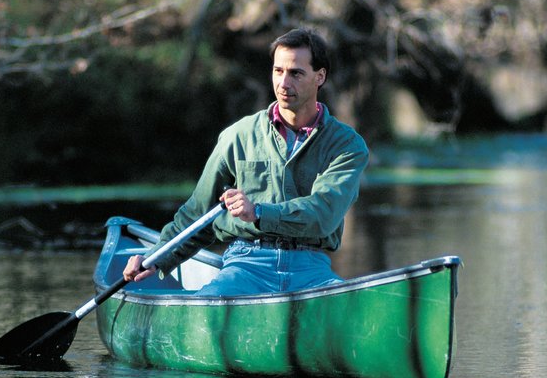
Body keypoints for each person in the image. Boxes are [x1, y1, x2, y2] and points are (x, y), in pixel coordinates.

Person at [122, 27, 369, 295]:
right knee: (209, 304)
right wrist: (158, 258)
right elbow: (197, 214)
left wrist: (259, 213)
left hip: (311, 267)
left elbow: (323, 214)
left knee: (350, 306)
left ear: (320, 76)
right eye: (278, 71)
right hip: (245, 264)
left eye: (296, 73)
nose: (284, 83)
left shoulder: (347, 145)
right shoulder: (237, 136)